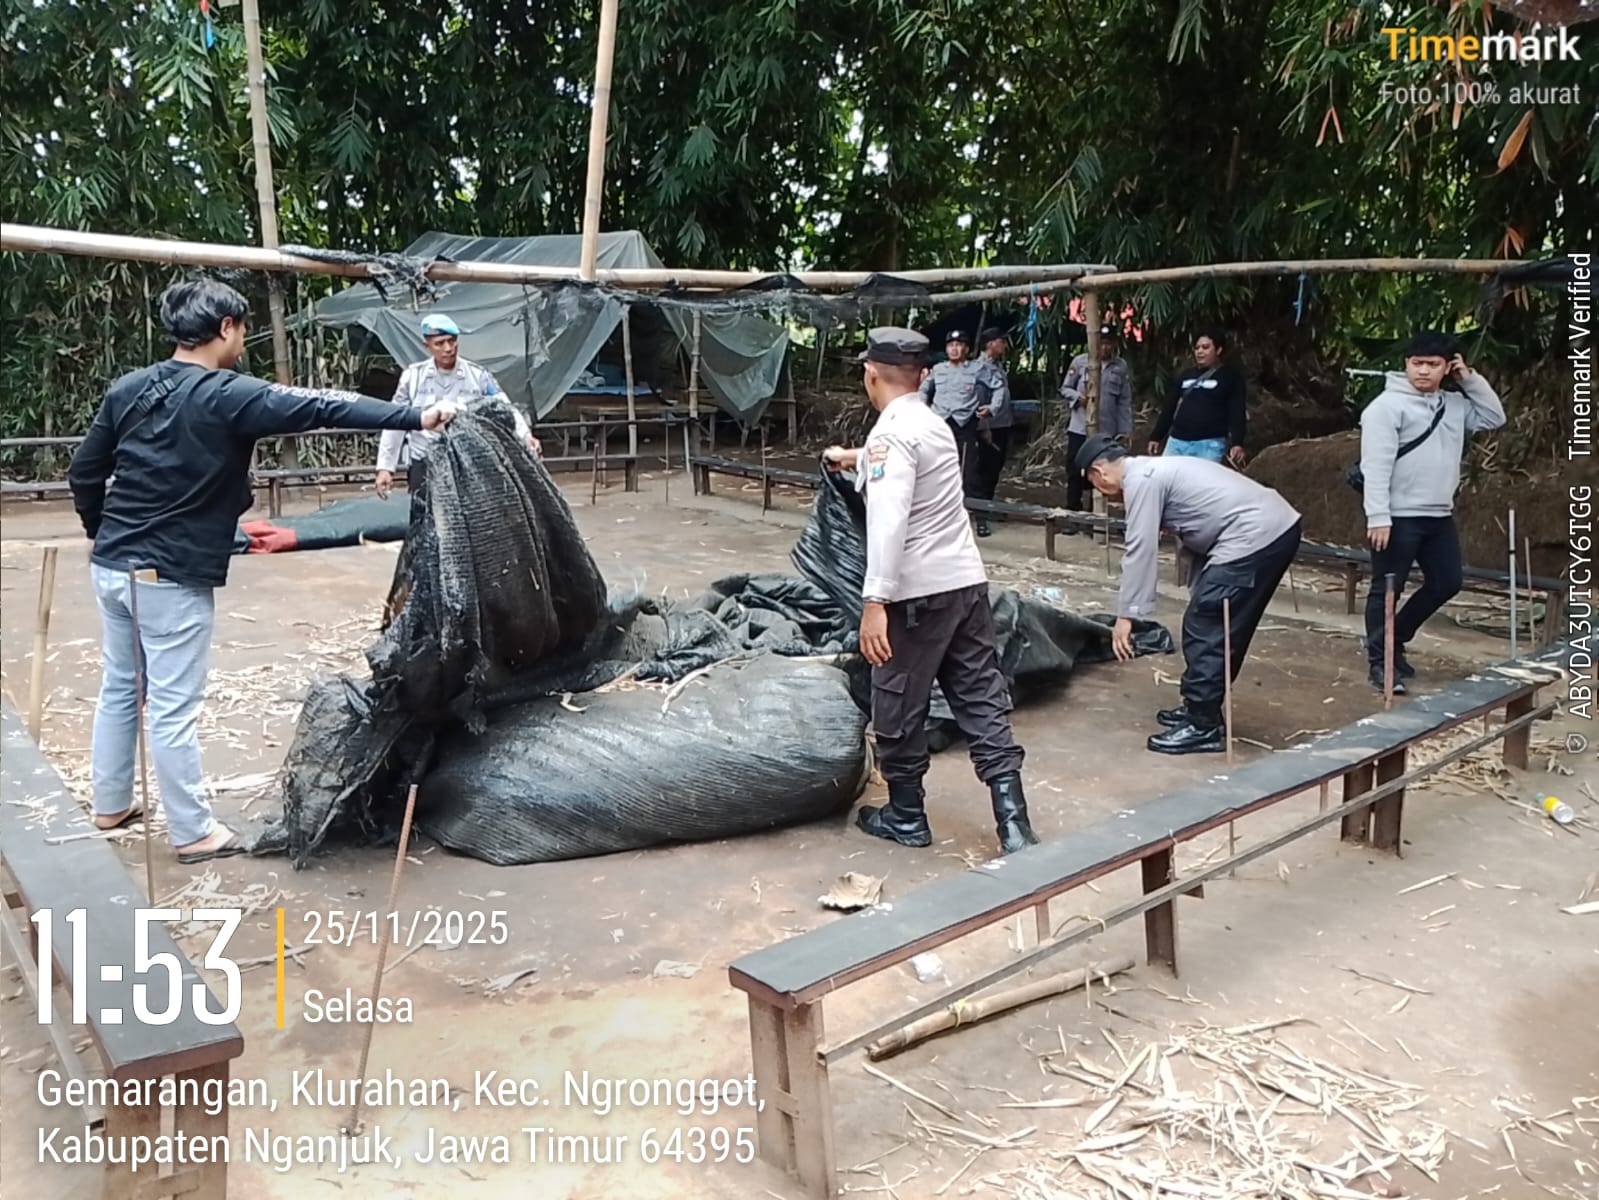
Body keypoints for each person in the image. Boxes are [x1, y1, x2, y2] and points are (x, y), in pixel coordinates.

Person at [67, 279, 456, 863]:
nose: (242, 339)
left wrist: (100, 531)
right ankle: (192, 832)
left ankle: (109, 803)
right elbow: (324, 406)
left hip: (113, 568)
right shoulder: (228, 394)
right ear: (225, 327)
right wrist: (417, 417)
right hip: (170, 575)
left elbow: (84, 470)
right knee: (172, 705)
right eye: (242, 329)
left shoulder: (129, 389)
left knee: (122, 686)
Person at [824, 328, 1039, 856]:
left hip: (914, 595)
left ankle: (906, 814)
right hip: (964, 584)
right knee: (981, 696)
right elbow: (903, 463)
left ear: (870, 374)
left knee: (897, 700)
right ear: (922, 377)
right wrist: (854, 457)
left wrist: (875, 602)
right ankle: (1014, 823)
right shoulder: (932, 422)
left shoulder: (891, 435)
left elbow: (889, 520)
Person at [1076, 434, 1302, 755]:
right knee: (1213, 619)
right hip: (1266, 527)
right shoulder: (1152, 470)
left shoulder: (1141, 480)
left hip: (1255, 533)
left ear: (1099, 473)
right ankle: (1201, 708)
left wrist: (1127, 616)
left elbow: (1140, 548)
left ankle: (1202, 724)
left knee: (1207, 623)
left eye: (1094, 484)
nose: (1101, 491)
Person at [1357, 331, 1504, 693]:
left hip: (1438, 515)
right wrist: (1378, 516)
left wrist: (1468, 378)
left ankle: (1396, 637)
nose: (1423, 371)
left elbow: (1493, 417)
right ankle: (1380, 663)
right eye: (1417, 363)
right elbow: (1376, 466)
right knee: (1386, 589)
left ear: (1447, 367)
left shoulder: (1453, 405)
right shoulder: (1385, 408)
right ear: (1406, 364)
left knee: (1447, 582)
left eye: (1433, 364)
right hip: (1397, 515)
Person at [375, 313, 540, 504]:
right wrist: (385, 467)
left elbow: (504, 407)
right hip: (424, 460)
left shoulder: (478, 376)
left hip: (467, 461)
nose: (448, 348)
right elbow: (396, 421)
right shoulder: (412, 378)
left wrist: (525, 436)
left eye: (452, 341)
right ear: (427, 346)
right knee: (423, 513)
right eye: (440, 343)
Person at [1059, 325, 1134, 514]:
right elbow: (1065, 388)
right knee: (1075, 469)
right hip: (1080, 427)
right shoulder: (1080, 362)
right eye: (1102, 343)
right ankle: (1073, 510)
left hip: (1106, 430)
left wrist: (1125, 430)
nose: (1105, 347)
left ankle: (1096, 513)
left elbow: (1124, 401)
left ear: (1114, 344)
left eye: (1109, 343)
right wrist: (1078, 398)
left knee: (1102, 471)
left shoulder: (1120, 367)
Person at [1147, 329, 1247, 466]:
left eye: (1205, 347)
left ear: (1218, 350)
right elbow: (1170, 407)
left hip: (1209, 444)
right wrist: (1156, 436)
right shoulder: (1186, 375)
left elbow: (1237, 411)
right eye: (1197, 348)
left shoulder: (1230, 378)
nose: (1200, 351)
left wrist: (1237, 442)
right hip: (1177, 442)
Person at [919, 329, 986, 495]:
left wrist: (992, 408)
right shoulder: (938, 369)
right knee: (934, 461)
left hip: (964, 423)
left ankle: (971, 504)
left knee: (967, 467)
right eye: (951, 345)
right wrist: (923, 407)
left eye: (959, 345)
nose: (954, 349)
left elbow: (997, 387)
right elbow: (924, 389)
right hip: (940, 422)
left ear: (967, 349)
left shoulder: (977, 369)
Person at [970, 327, 1013, 537]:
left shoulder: (997, 366)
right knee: (984, 470)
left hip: (1002, 424)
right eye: (1000, 341)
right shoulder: (980, 368)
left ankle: (988, 506)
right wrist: (984, 427)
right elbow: (980, 401)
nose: (1004, 345)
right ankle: (981, 514)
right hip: (989, 427)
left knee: (995, 469)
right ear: (990, 344)